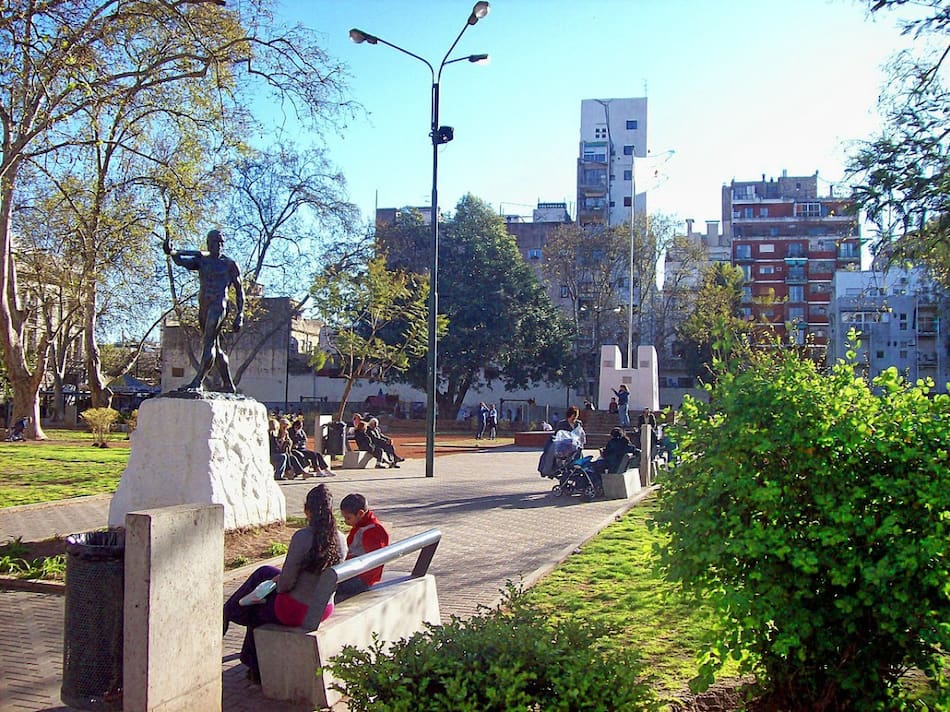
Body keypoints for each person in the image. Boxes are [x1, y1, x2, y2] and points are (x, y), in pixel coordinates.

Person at [223, 485, 346, 684]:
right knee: (264, 572)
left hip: (297, 610)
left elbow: (285, 585)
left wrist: (276, 583)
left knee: (257, 609)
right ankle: (230, 612)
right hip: (324, 607)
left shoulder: (303, 537)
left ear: (307, 510)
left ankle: (233, 619)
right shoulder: (340, 538)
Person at [163, 229, 245, 392]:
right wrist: (171, 251)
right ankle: (228, 384)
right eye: (215, 242)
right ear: (208, 243)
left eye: (221, 242)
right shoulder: (202, 261)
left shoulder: (229, 264)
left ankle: (198, 381)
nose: (219, 245)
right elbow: (180, 261)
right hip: (204, 305)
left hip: (218, 305)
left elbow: (239, 289)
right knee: (215, 345)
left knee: (208, 342)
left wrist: (240, 314)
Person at [336, 493, 390, 601]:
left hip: (362, 578)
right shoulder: (361, 526)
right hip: (354, 572)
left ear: (360, 513)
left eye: (348, 518)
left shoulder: (372, 531)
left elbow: (375, 561)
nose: (346, 521)